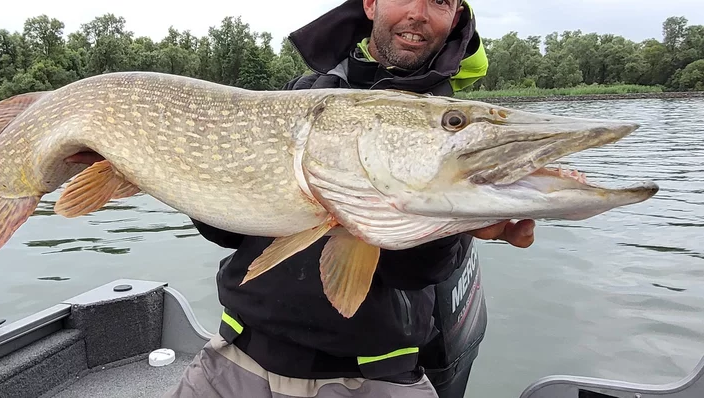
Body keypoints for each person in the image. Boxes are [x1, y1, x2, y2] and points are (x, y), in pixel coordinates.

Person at [163, 0, 537, 397]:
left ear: (455, 17)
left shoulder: (448, 131)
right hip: (235, 359)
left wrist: (449, 223)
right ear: (371, 4)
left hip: (373, 380)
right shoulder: (302, 93)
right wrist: (169, 168)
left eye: (439, 1)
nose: (419, 12)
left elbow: (415, 275)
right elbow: (229, 232)